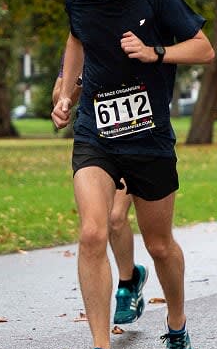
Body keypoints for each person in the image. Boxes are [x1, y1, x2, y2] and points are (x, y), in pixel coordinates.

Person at [52, 0, 214, 349]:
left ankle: (178, 327)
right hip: (95, 135)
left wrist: (155, 53)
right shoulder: (78, 2)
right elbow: (75, 51)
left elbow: (203, 48)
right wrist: (65, 95)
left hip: (149, 138)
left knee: (160, 245)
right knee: (91, 233)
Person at [52, 71, 147, 327]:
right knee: (96, 228)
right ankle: (129, 283)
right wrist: (80, 80)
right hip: (97, 145)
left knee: (117, 217)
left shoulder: (137, 34)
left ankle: (128, 282)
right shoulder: (84, 35)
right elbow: (59, 95)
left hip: (137, 138)